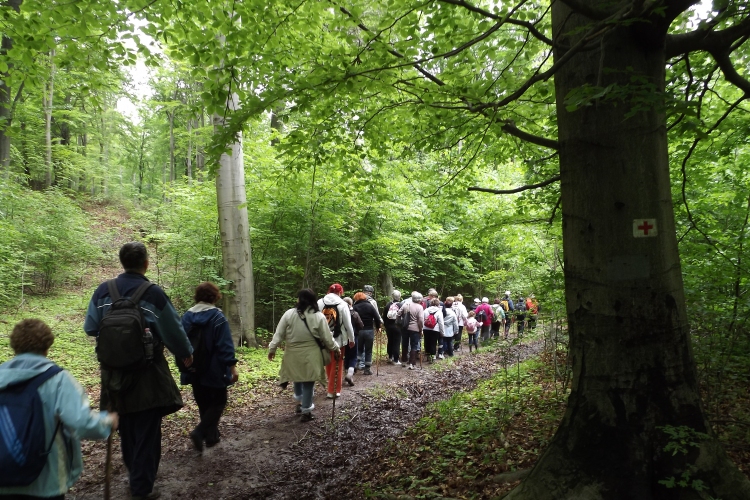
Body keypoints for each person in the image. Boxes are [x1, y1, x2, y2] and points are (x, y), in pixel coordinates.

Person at [84, 242, 193, 500]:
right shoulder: (153, 293)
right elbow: (173, 332)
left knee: (127, 426)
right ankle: (141, 487)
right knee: (147, 428)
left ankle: (136, 476)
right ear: (146, 263)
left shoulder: (102, 291)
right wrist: (186, 352)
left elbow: (91, 327)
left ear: (122, 262)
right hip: (147, 374)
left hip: (113, 375)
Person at [0, 319, 118, 500]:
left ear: (14, 347)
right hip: (46, 481)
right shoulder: (58, 380)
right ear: (47, 346)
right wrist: (107, 422)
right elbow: (81, 422)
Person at [180, 282, 239, 454]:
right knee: (219, 401)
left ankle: (211, 437)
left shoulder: (187, 316)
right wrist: (232, 368)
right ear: (214, 296)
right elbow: (225, 345)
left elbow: (180, 341)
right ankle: (199, 432)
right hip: (214, 367)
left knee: (203, 401)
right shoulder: (217, 317)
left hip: (193, 366)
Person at [268, 289, 340, 422]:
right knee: (308, 381)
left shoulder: (289, 314)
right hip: (311, 353)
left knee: (297, 376)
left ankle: (300, 402)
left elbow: (279, 333)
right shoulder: (318, 316)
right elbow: (327, 337)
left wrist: (272, 349)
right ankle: (305, 410)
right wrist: (335, 348)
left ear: (299, 299)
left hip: (292, 352)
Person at [317, 284, 354, 398]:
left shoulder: (319, 302)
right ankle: (333, 390)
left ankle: (330, 385)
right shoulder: (343, 304)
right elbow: (348, 324)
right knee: (337, 363)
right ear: (340, 292)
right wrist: (351, 339)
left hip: (323, 338)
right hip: (339, 339)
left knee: (328, 363)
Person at [353, 292, 382, 375]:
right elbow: (377, 318)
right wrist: (378, 327)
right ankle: (367, 369)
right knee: (368, 350)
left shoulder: (355, 307)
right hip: (369, 331)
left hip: (358, 331)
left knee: (359, 349)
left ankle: (354, 365)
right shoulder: (370, 306)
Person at [397, 292, 424, 370]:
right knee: (414, 345)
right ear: (419, 300)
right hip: (415, 329)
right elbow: (421, 320)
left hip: (405, 327)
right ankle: (412, 364)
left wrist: (401, 321)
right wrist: (421, 329)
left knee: (404, 344)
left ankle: (404, 361)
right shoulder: (419, 307)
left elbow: (398, 313)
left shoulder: (406, 304)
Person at [343, 296, 363, 386]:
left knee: (345, 356)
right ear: (351, 304)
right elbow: (361, 325)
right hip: (354, 337)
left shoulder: (340, 314)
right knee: (353, 356)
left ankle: (346, 371)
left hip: (343, 338)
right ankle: (350, 374)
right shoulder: (354, 314)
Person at [383, 290, 403, 364]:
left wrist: (385, 325)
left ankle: (390, 357)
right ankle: (396, 359)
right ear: (399, 297)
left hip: (389, 326)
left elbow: (384, 316)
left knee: (390, 341)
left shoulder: (388, 305)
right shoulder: (400, 305)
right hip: (397, 327)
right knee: (397, 342)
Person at [422, 298, 444, 363]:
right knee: (433, 343)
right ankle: (433, 356)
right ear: (438, 304)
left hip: (426, 329)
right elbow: (441, 323)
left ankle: (428, 355)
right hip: (435, 329)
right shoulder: (439, 311)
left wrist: (421, 329)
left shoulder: (426, 310)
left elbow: (422, 320)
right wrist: (442, 332)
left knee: (427, 342)